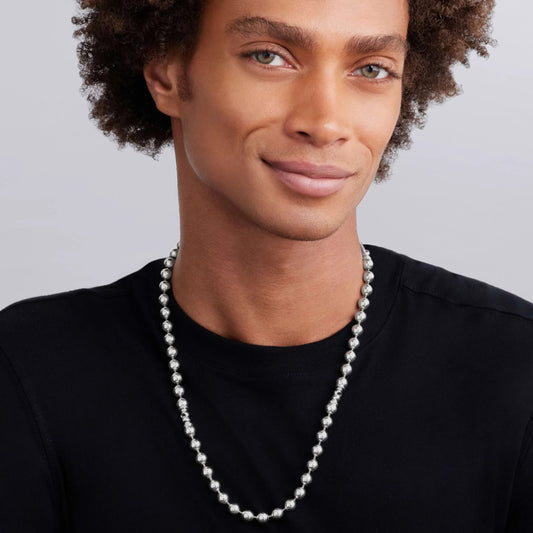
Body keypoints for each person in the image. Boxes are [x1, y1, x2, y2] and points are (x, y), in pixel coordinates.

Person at [1, 0, 531, 531]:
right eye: (269, 56)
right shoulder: (29, 372)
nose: (324, 123)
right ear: (167, 73)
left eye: (371, 68)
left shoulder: (514, 369)